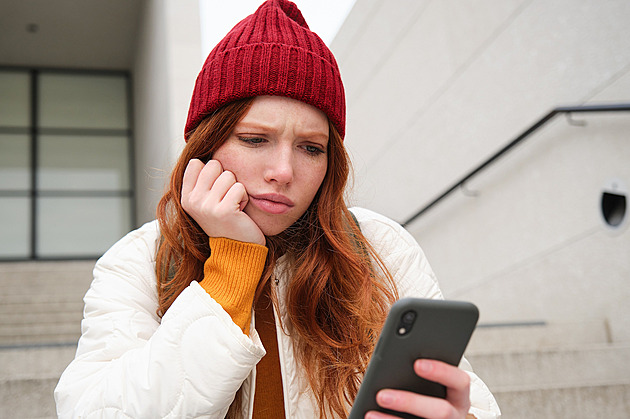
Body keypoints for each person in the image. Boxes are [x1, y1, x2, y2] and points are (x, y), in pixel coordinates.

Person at [54, 1, 501, 418]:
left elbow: (469, 398)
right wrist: (231, 267)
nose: (284, 171)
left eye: (311, 147)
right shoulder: (140, 258)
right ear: (205, 146)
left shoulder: (380, 245)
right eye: (254, 140)